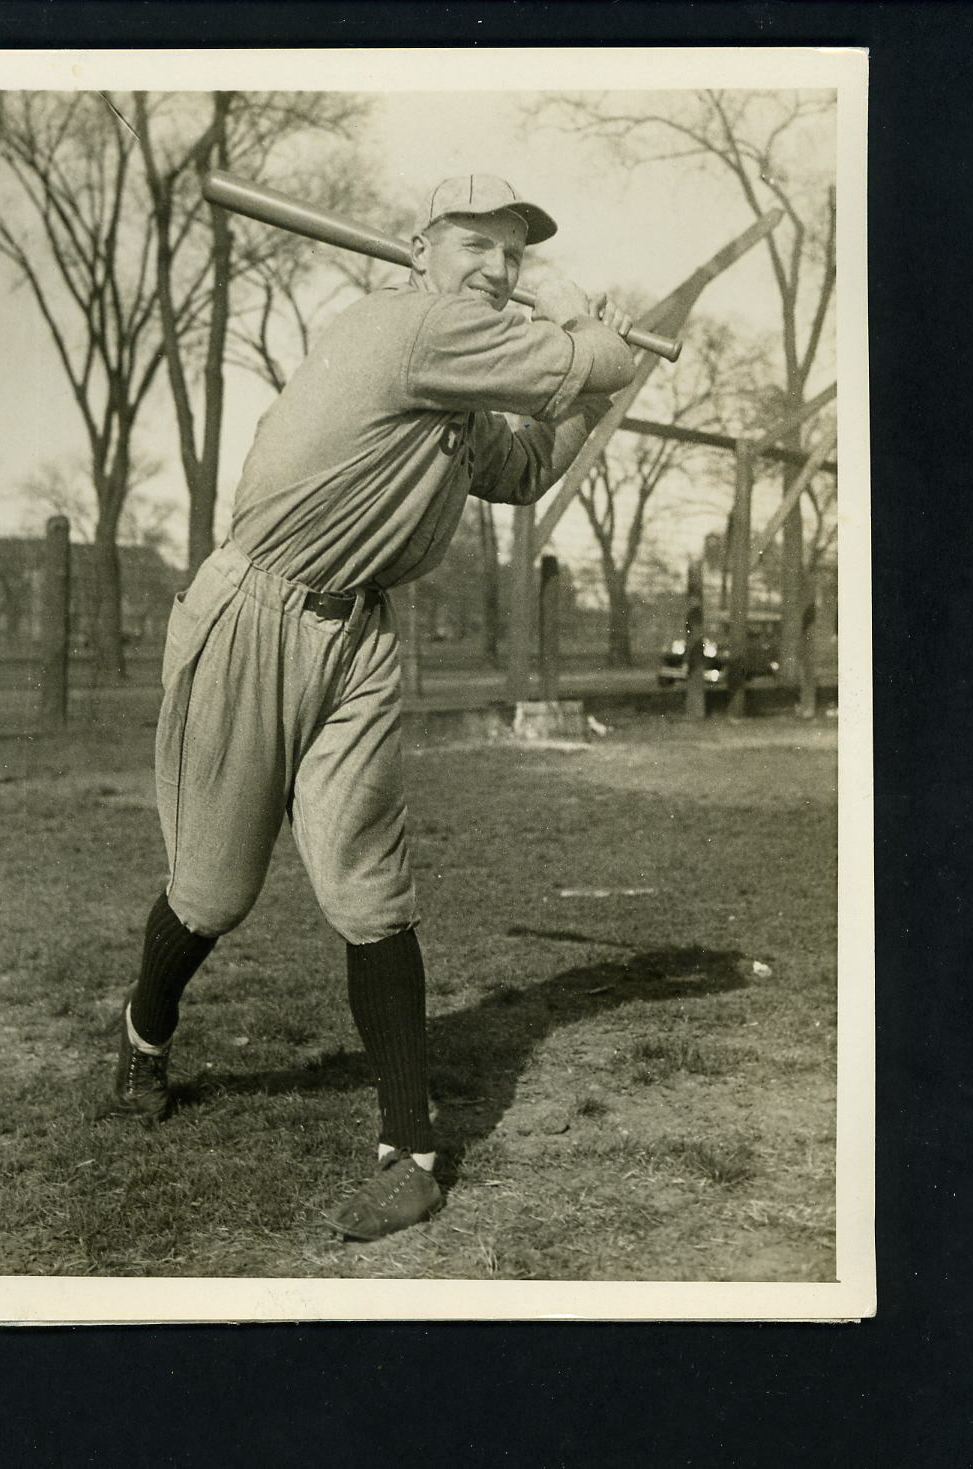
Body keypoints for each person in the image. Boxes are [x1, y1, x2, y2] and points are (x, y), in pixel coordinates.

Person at [103, 174, 636, 1241]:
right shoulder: (412, 329)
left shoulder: (453, 389)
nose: (495, 268)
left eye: (513, 256)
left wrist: (586, 391)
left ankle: (411, 1139)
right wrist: (585, 329)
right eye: (475, 246)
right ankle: (145, 1029)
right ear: (417, 252)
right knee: (212, 891)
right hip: (252, 614)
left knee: (368, 887)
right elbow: (585, 360)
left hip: (361, 636)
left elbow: (526, 468)